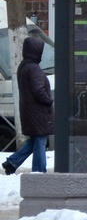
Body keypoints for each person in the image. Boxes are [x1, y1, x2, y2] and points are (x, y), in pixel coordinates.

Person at [3, 36, 53, 175]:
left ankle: (12, 162)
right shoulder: (34, 68)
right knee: (40, 142)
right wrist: (49, 100)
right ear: (36, 51)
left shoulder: (23, 66)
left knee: (35, 141)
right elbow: (38, 90)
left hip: (29, 111)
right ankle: (39, 172)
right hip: (38, 112)